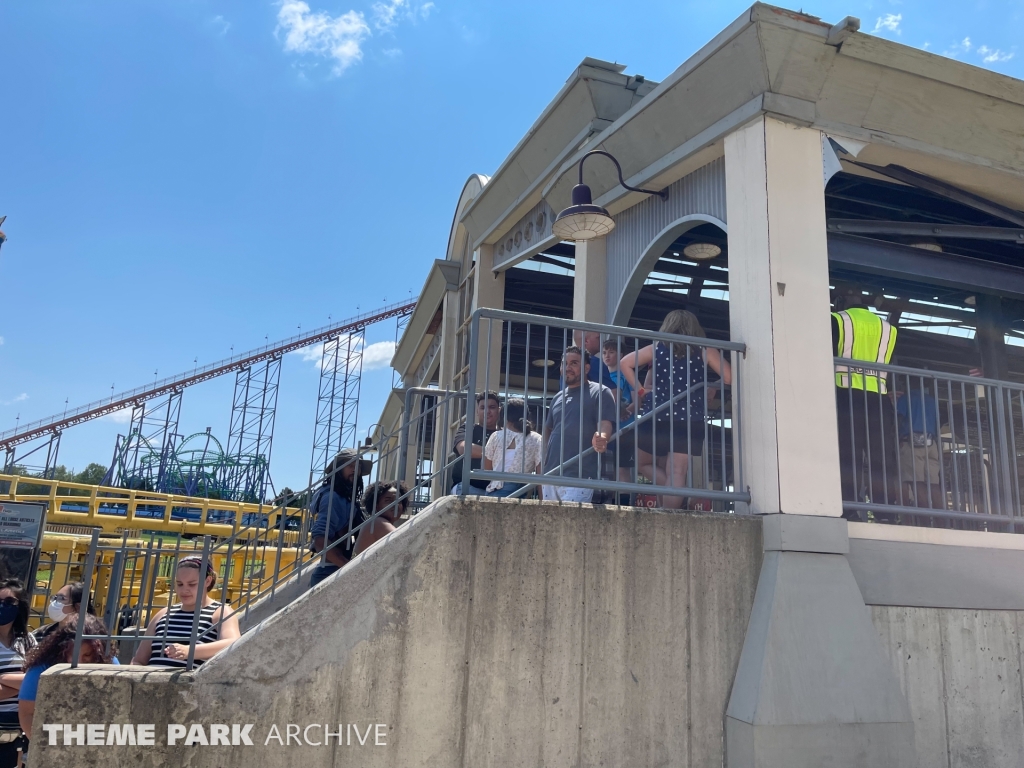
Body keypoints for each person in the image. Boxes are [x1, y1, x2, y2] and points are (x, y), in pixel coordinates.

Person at [619, 310, 731, 510]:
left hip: (657, 412)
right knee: (677, 471)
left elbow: (625, 363)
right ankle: (674, 506)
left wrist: (642, 390)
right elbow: (729, 377)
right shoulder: (704, 349)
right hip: (690, 417)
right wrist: (712, 386)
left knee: (644, 464)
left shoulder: (657, 348)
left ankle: (674, 495)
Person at [832, 298, 898, 520]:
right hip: (879, 399)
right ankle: (885, 511)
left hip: (846, 395)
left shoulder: (838, 320)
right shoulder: (888, 329)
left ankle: (849, 510)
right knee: (881, 457)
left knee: (849, 456)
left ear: (840, 301)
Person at [19, 614, 118, 747]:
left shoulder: (110, 664)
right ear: (62, 649)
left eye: (88, 655)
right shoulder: (42, 666)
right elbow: (27, 714)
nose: (79, 661)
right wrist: (47, 747)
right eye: (73, 654)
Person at [131, 556, 240, 668]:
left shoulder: (220, 612)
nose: (184, 590)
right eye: (179, 584)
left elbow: (233, 643)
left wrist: (190, 651)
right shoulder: (163, 614)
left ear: (207, 581)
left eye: (192, 584)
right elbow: (139, 660)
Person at [542, 346, 616, 503]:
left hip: (580, 476)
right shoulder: (557, 397)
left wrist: (602, 437)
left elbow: (605, 424)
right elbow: (548, 429)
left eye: (574, 363)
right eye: (564, 363)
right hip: (551, 475)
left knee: (568, 527)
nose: (568, 368)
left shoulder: (601, 391)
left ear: (587, 367)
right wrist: (544, 461)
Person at [308, 448, 373, 588]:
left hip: (332, 569)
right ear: (338, 469)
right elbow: (320, 540)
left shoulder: (344, 497)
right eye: (350, 466)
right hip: (330, 572)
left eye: (358, 466)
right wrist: (348, 567)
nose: (355, 470)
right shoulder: (333, 497)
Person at [895, 387, 945, 518]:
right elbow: (938, 421)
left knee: (915, 482)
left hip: (911, 442)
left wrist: (896, 437)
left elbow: (898, 418)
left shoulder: (906, 398)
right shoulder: (931, 400)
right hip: (931, 443)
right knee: (933, 483)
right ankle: (941, 522)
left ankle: (923, 522)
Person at [0, 581, 34, 767]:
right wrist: (23, 686)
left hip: (18, 734)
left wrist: (3, 679)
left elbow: (39, 681)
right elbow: (31, 684)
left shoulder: (27, 641)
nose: (2, 605)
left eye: (8, 601)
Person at [483, 398, 543, 497]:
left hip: (493, 489)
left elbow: (487, 468)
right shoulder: (536, 439)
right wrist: (542, 500)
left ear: (504, 416)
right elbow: (540, 476)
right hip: (521, 490)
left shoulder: (496, 436)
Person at [601, 339, 636, 485]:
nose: (607, 356)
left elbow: (637, 400)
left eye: (611, 352)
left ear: (621, 354)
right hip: (606, 429)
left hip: (625, 428)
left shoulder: (627, 374)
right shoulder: (601, 376)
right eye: (604, 353)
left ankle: (624, 503)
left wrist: (626, 411)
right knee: (606, 469)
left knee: (622, 469)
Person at [451, 392, 500, 494]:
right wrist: (495, 453)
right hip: (466, 486)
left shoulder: (504, 434)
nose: (487, 411)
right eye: (482, 408)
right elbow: (464, 449)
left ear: (499, 410)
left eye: (492, 407)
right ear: (477, 411)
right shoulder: (468, 428)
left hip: (496, 489)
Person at [352, 481, 411, 557]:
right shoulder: (377, 523)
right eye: (388, 500)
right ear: (376, 506)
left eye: (399, 500)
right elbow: (405, 543)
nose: (395, 504)